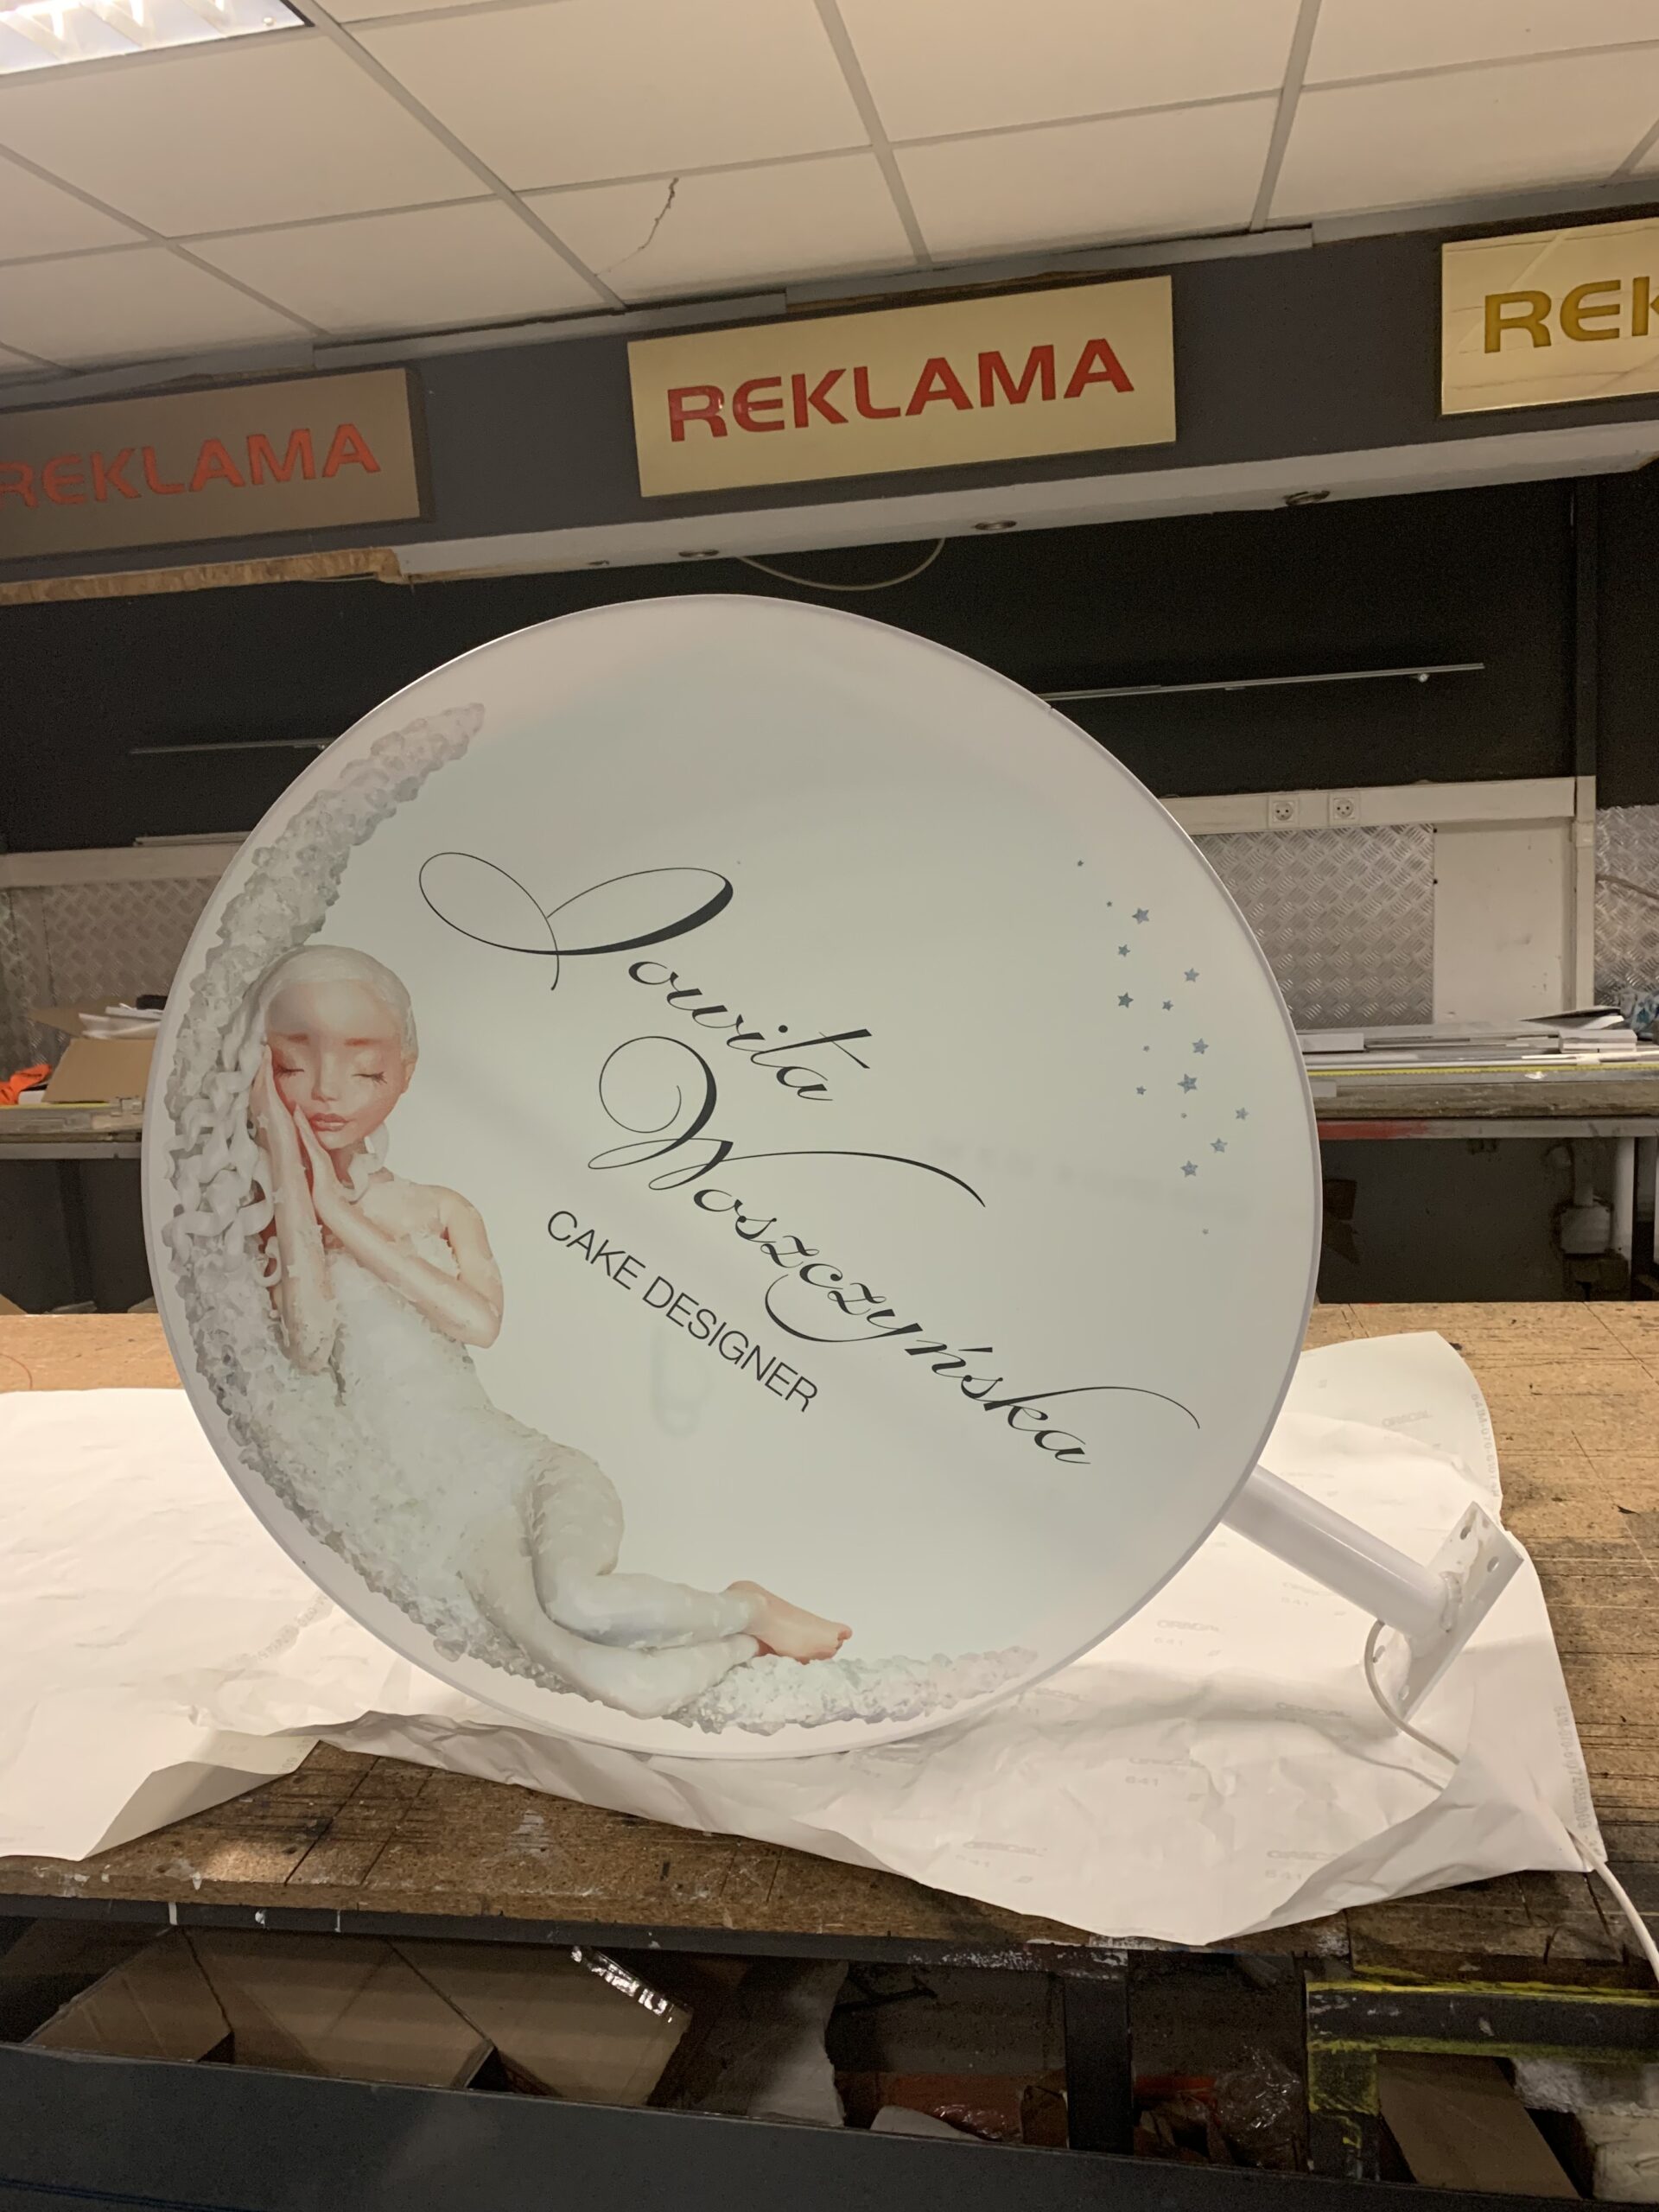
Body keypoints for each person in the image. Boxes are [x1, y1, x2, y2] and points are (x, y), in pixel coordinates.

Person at [241, 944, 849, 1720]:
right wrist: (293, 1180)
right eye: (292, 1067)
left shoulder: (439, 1207)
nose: (328, 1091)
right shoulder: (280, 1232)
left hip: (527, 1470)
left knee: (580, 1601)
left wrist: (340, 1216)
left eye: (364, 1070)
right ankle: (749, 1632)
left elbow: (478, 1322)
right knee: (634, 1689)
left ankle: (750, 1606)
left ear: (405, 1073)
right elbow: (307, 1343)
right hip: (457, 1522)